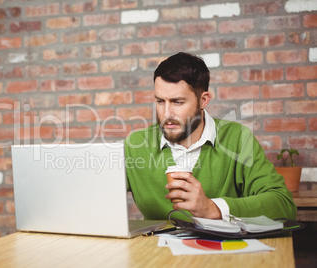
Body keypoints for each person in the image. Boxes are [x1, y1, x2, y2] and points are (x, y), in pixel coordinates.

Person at [124, 52, 297, 221]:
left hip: (222, 248)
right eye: (160, 101)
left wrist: (213, 209)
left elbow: (283, 204)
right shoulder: (136, 144)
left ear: (203, 100)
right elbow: (100, 197)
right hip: (153, 249)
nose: (167, 113)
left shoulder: (237, 138)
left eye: (178, 102)